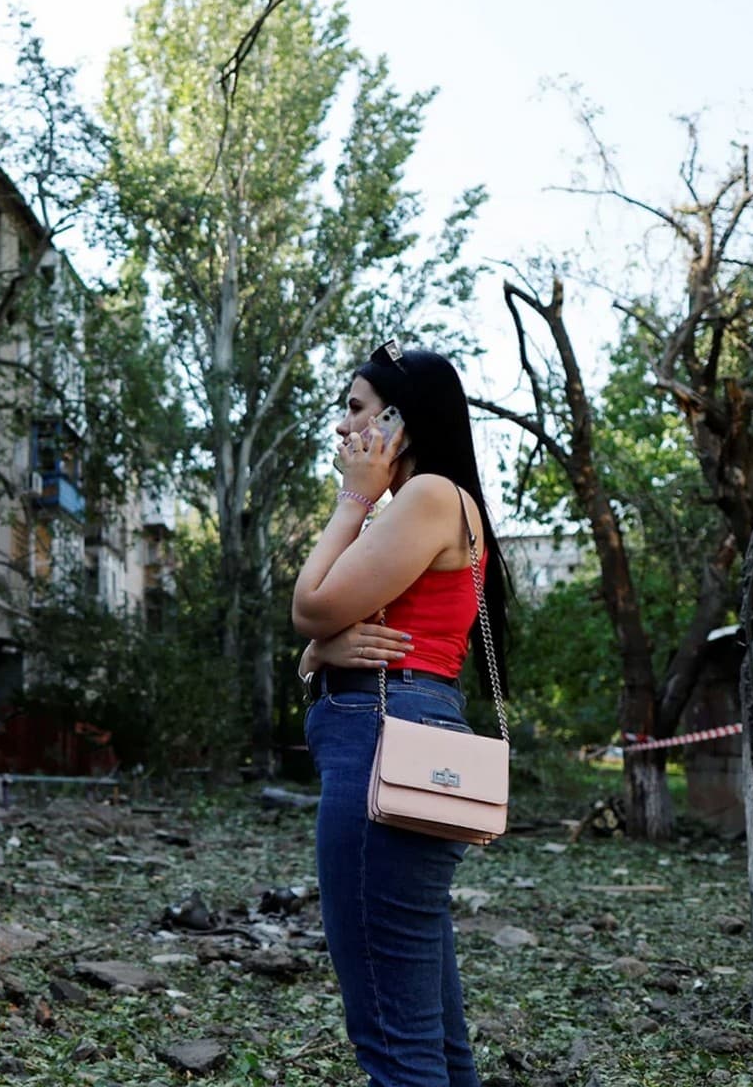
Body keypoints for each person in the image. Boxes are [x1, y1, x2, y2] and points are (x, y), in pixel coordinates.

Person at [291, 341, 509, 1087]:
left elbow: (311, 605)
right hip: (411, 730)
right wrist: (326, 650)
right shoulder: (437, 503)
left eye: (354, 408)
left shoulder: (425, 498)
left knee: (394, 1042)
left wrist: (353, 500)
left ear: (398, 420)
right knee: (436, 1045)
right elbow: (326, 632)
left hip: (383, 746)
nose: (341, 429)